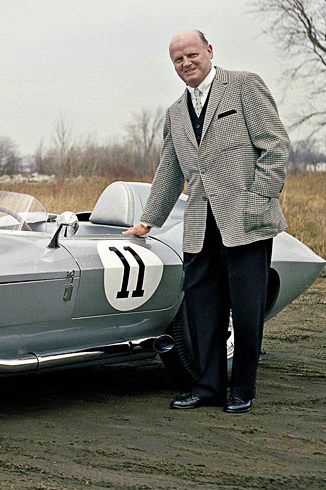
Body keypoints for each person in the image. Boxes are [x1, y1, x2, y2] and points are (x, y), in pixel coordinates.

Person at [123, 29, 290, 414]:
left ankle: (243, 388)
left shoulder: (245, 86)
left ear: (210, 51)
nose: (186, 63)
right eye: (178, 60)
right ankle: (209, 386)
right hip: (199, 225)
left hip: (246, 221)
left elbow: (276, 146)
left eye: (192, 54)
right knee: (202, 310)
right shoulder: (175, 113)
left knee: (246, 310)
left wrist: (258, 197)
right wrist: (148, 221)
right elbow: (169, 171)